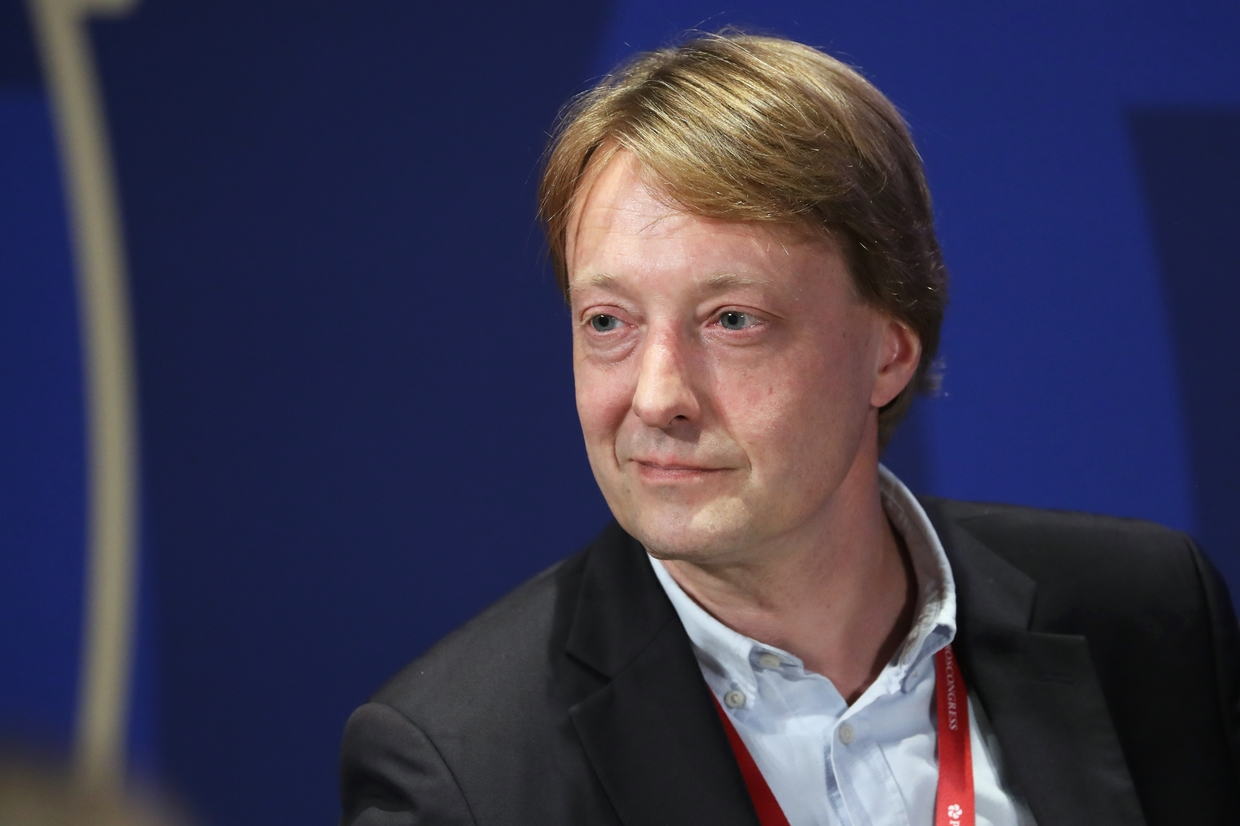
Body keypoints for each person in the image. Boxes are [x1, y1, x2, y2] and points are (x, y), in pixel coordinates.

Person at [339, 32, 1240, 825]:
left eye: (733, 320)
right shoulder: (464, 770)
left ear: (887, 353)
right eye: (608, 322)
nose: (656, 397)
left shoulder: (1145, 615)